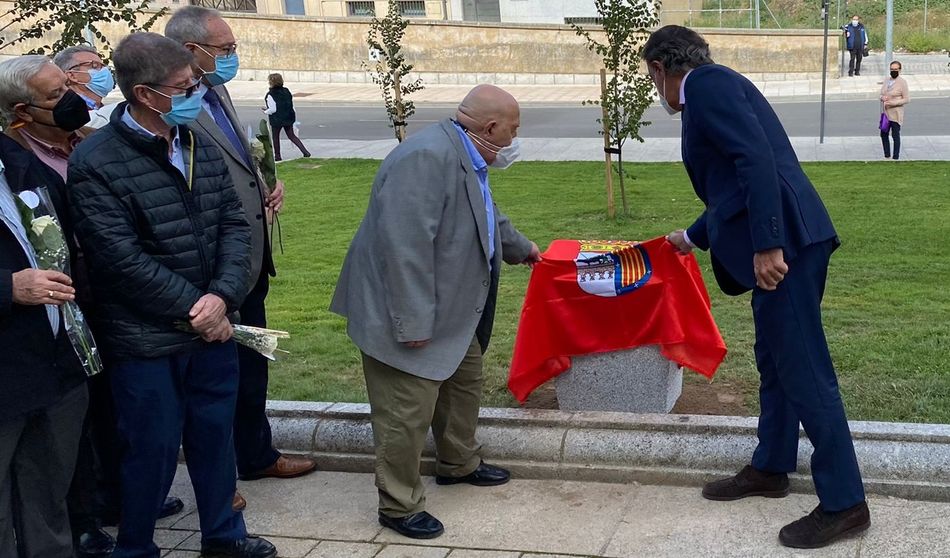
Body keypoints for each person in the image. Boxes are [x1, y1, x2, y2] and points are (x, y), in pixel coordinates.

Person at [643, 25, 870, 549]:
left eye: (650, 76)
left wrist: (769, 245)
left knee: (804, 367)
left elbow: (756, 161)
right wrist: (691, 237)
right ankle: (770, 466)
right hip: (789, 240)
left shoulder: (705, 86)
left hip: (786, 246)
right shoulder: (714, 85)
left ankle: (844, 502)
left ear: (658, 69)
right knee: (775, 358)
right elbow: (732, 186)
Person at [66, 32, 276, 558]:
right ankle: (135, 546)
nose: (196, 93)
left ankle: (224, 537)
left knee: (214, 437)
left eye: (196, 82)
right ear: (144, 94)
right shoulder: (95, 161)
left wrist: (222, 299)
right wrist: (194, 308)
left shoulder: (194, 141)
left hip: (213, 326)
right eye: (184, 86)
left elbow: (232, 223)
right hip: (147, 339)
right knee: (151, 450)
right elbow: (118, 257)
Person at [331, 84, 541, 540]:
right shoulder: (426, 159)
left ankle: (458, 462)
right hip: (407, 311)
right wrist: (413, 323)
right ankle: (398, 504)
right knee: (405, 411)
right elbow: (403, 248)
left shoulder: (465, 152)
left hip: (451, 308)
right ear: (489, 127)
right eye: (514, 129)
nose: (515, 138)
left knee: (463, 385)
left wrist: (520, 248)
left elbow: (484, 211)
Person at [165, 8, 315, 502]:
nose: (232, 57)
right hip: (209, 269)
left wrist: (267, 186)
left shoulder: (218, 92)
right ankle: (218, 475)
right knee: (213, 378)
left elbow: (235, 163)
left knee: (253, 366)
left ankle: (257, 455)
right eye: (224, 50)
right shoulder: (170, 109)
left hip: (250, 258)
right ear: (192, 52)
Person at [0, 91, 89, 558]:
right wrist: (7, 287)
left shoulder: (17, 162)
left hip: (55, 361)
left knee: (48, 499)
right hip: (6, 369)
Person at [53, 45, 118, 128]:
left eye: (102, 67)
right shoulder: (66, 113)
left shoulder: (98, 109)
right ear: (72, 75)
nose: (104, 71)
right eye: (94, 66)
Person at [263, 73, 310, 161]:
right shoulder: (286, 91)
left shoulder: (270, 94)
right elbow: (290, 104)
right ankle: (305, 151)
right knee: (291, 135)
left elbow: (273, 109)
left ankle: (277, 156)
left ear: (271, 82)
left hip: (277, 119)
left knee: (275, 137)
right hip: (288, 116)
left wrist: (265, 111)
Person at [880, 60, 909, 160]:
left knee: (895, 135)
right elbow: (882, 93)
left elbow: (906, 99)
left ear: (899, 70)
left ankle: (895, 156)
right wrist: (882, 97)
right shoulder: (887, 80)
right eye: (892, 69)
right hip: (886, 113)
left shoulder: (902, 83)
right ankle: (887, 155)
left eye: (895, 69)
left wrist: (893, 103)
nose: (893, 71)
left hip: (896, 114)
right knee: (883, 134)